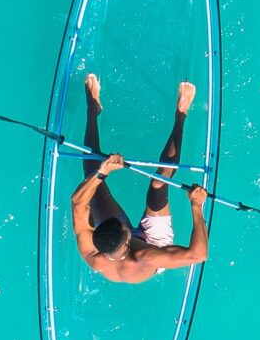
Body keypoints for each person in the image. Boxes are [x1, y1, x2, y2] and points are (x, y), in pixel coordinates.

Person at [69, 73, 210, 284]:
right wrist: (196, 205)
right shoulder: (147, 256)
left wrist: (102, 172)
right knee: (157, 186)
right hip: (154, 243)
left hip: (119, 245)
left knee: (92, 180)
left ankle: (93, 111)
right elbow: (198, 255)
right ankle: (181, 114)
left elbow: (77, 202)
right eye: (124, 226)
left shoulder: (92, 251)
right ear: (127, 240)